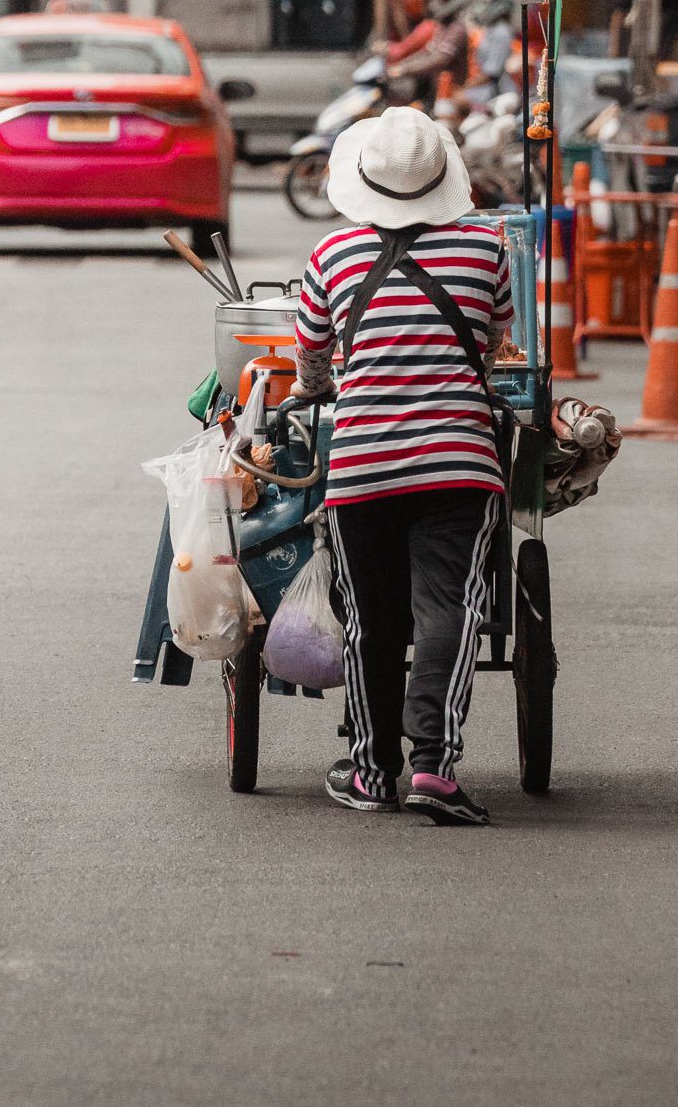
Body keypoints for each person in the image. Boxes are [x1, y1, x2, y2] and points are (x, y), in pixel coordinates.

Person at [291, 107, 511, 826]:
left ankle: (372, 771)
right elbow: (497, 343)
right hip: (460, 464)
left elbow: (312, 360)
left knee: (371, 622)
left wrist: (318, 388)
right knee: (449, 606)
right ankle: (434, 771)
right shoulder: (489, 248)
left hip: (361, 469)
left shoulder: (331, 256)